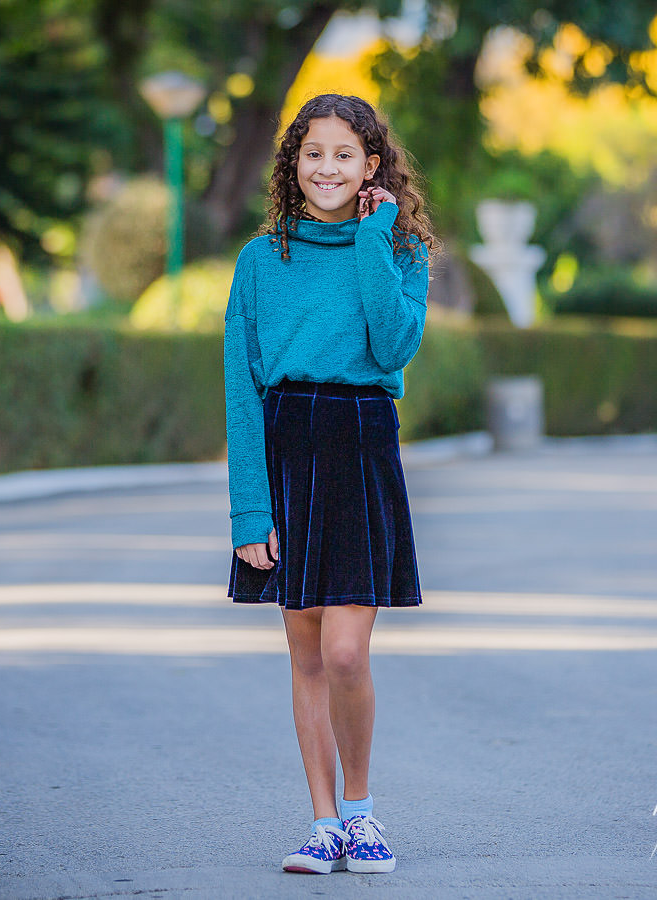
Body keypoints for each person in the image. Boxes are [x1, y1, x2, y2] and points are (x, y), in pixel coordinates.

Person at [223, 93, 437, 875]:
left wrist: (375, 237)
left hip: (359, 443)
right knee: (306, 651)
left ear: (371, 167)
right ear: (293, 164)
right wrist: (251, 507)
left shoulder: (400, 250)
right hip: (286, 446)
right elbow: (241, 389)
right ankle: (320, 822)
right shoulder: (260, 259)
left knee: (347, 653)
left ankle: (361, 810)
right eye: (314, 153)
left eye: (345, 155)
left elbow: (391, 346)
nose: (327, 169)